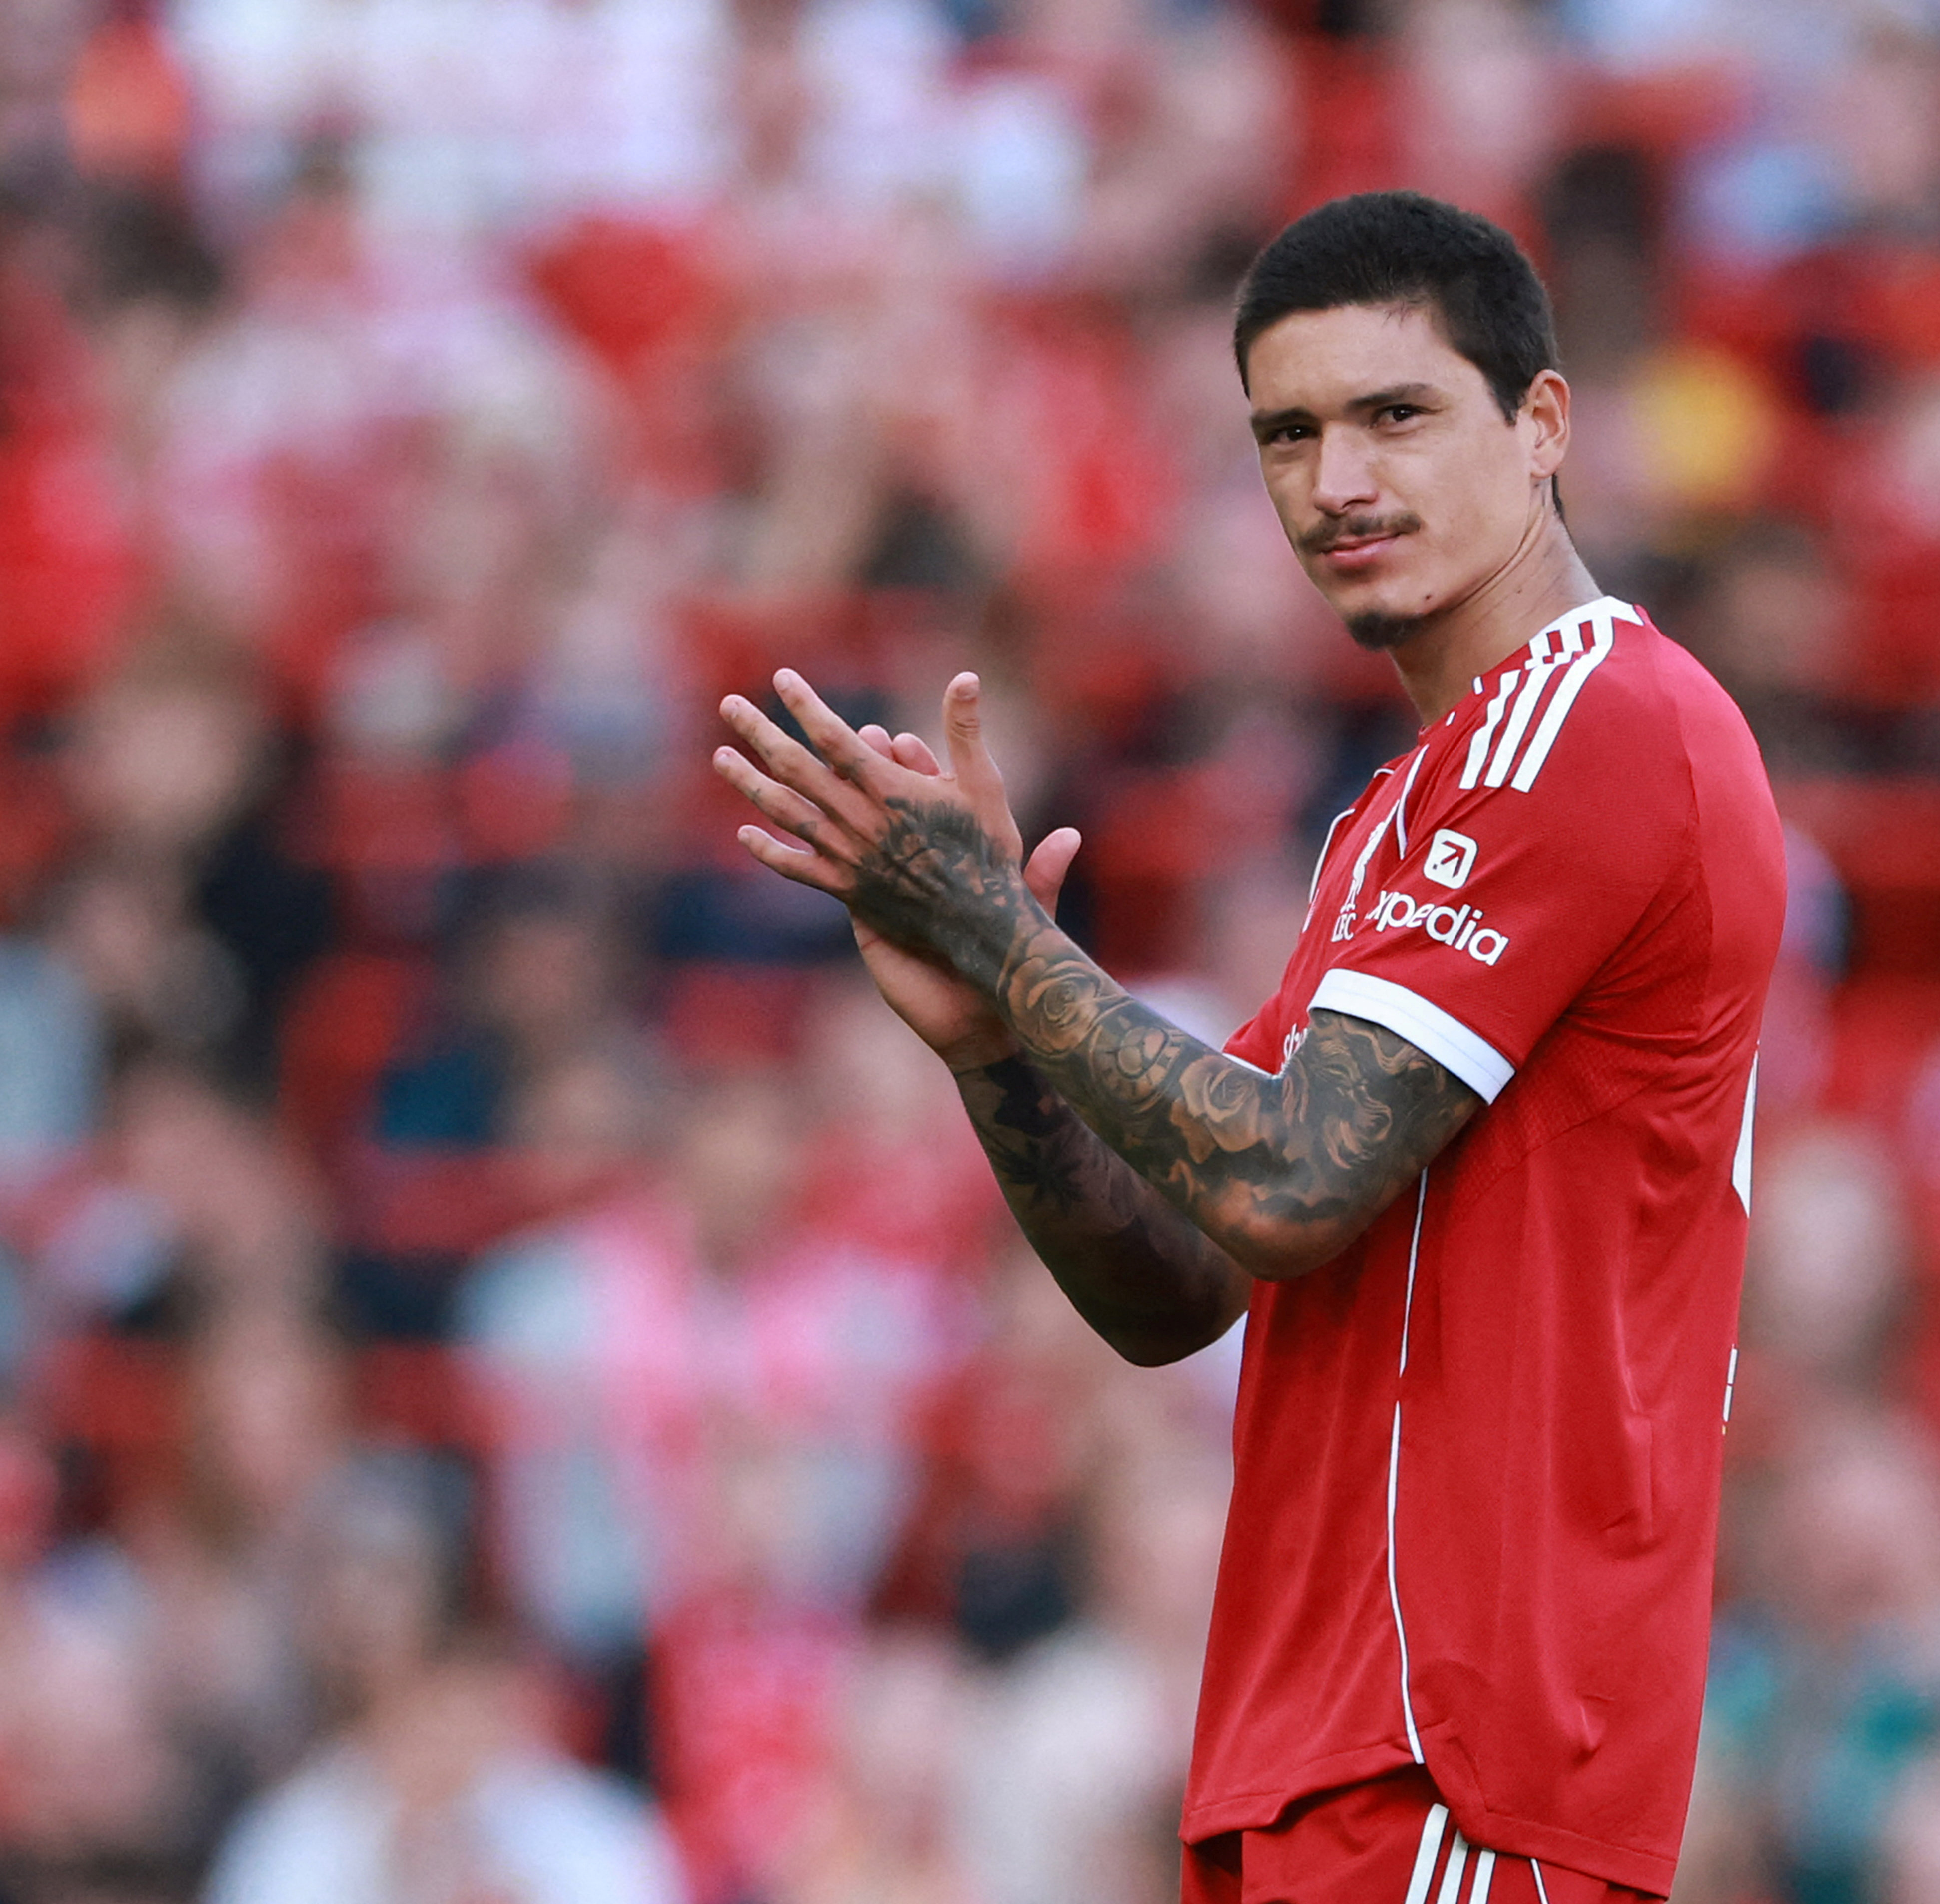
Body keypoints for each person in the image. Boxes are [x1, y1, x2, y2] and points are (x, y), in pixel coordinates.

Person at [713, 189, 1785, 1902]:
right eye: (1287, 434)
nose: (1336, 482)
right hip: (1328, 1743)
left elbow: (1283, 1182)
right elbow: (1179, 1287)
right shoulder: (1403, 810)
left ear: (1543, 425)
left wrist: (1004, 935)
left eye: (1394, 414)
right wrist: (996, 1036)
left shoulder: (1600, 721)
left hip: (1460, 1746)